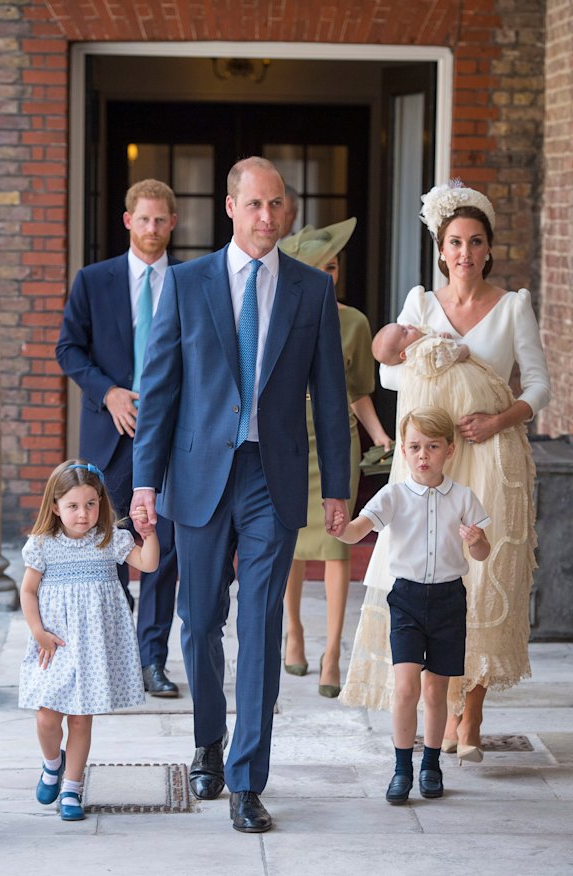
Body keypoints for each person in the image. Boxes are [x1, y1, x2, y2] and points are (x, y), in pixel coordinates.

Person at [129, 156, 351, 833]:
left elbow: (331, 397)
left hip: (271, 478)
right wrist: (144, 481)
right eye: (254, 205)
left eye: (277, 205)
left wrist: (339, 486)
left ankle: (249, 780)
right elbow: (160, 386)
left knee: (258, 628)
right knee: (199, 623)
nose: (267, 218)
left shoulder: (311, 291)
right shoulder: (189, 283)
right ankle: (208, 744)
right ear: (230, 208)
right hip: (196, 478)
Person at [340, 180, 551, 764]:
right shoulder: (421, 304)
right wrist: (420, 355)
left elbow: (539, 386)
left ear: (488, 249)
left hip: (491, 456)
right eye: (454, 241)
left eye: (475, 242)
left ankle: (471, 713)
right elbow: (386, 373)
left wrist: (500, 418)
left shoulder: (514, 307)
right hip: (431, 459)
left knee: (483, 580)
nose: (464, 252)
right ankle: (440, 706)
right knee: (429, 576)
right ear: (441, 248)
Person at [56, 179, 181, 698]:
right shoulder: (94, 280)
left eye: (161, 220)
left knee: (160, 546)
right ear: (128, 220)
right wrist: (108, 392)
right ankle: (114, 648)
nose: (152, 229)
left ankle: (152, 658)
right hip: (110, 436)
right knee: (105, 543)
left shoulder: (190, 281)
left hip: (172, 437)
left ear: (173, 223)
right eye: (143, 219)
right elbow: (68, 349)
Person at [334, 406, 490, 803]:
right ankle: (402, 767)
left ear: (449, 451)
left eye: (433, 447)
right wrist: (340, 527)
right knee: (405, 687)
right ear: (403, 451)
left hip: (448, 599)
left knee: (436, 691)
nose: (423, 455)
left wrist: (475, 542)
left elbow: (484, 550)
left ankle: (431, 764)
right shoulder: (394, 495)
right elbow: (357, 531)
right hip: (405, 598)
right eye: (415, 447)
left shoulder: (463, 497)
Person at [279, 220, 392, 696]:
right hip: (287, 442)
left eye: (334, 266)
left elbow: (360, 392)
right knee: (288, 544)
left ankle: (332, 653)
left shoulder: (356, 323)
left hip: (334, 444)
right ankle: (295, 634)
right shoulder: (279, 315)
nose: (329, 275)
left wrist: (382, 438)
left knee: (337, 544)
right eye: (318, 268)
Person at [18, 460, 159, 821]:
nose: (83, 514)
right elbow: (29, 591)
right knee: (48, 716)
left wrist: (149, 533)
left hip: (94, 645)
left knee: (81, 719)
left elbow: (147, 564)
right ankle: (53, 763)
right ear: (55, 507)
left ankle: (72, 787)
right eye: (73, 506)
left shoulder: (109, 537)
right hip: (56, 643)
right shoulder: (44, 545)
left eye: (91, 504)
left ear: (101, 503)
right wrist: (38, 632)